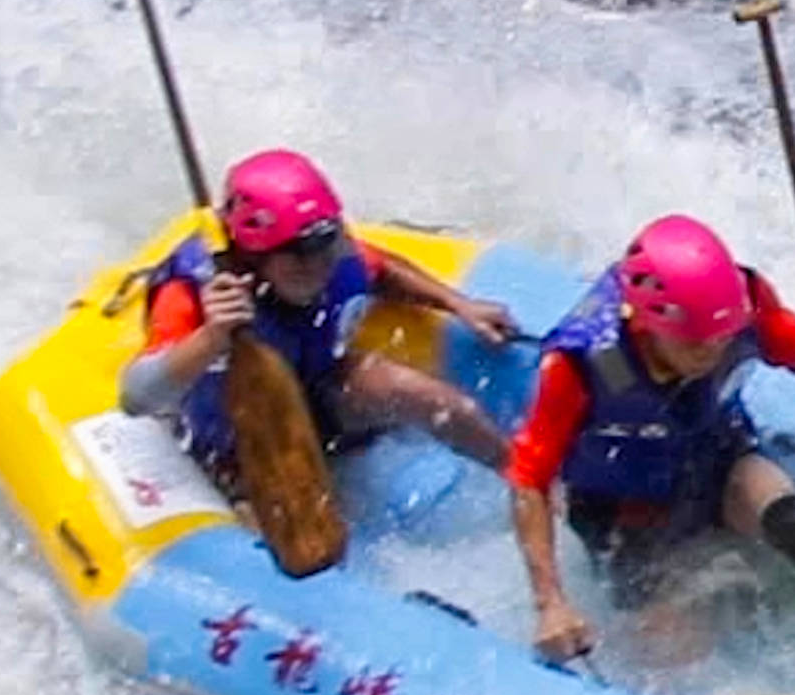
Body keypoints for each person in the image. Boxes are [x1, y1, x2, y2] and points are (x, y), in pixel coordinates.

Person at [507, 213, 795, 664]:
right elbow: (528, 480)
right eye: (696, 343)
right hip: (625, 508)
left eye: (722, 339)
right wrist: (550, 604)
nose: (713, 352)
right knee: (677, 652)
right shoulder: (582, 363)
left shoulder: (745, 303)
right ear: (646, 326)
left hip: (718, 458)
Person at [120, 149, 521, 486]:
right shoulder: (191, 293)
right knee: (273, 521)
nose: (316, 266)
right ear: (256, 255)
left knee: (437, 401)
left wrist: (458, 304)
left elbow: (381, 269)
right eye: (297, 255)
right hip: (235, 439)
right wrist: (211, 338)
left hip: (317, 393)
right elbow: (136, 397)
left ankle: (522, 479)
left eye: (323, 248)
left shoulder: (330, 254)